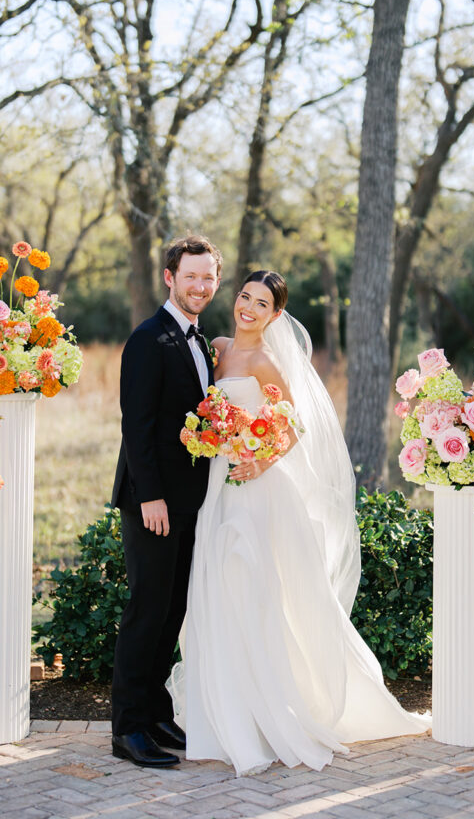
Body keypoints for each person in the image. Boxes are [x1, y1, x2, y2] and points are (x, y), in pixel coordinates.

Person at [169, 271, 430, 776]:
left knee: (253, 590)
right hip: (218, 485)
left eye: (260, 303)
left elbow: (291, 428)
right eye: (244, 296)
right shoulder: (217, 347)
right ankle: (224, 707)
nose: (247, 307)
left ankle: (267, 713)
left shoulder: (267, 362)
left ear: (275, 315)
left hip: (256, 490)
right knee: (217, 591)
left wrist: (257, 462)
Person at [111, 235, 222, 768]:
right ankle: (127, 728)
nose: (200, 286)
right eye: (191, 276)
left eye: (208, 277)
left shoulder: (199, 341)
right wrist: (150, 497)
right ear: (169, 277)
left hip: (190, 502)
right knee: (147, 610)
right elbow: (137, 427)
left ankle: (156, 714)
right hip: (152, 504)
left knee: (172, 610)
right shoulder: (148, 339)